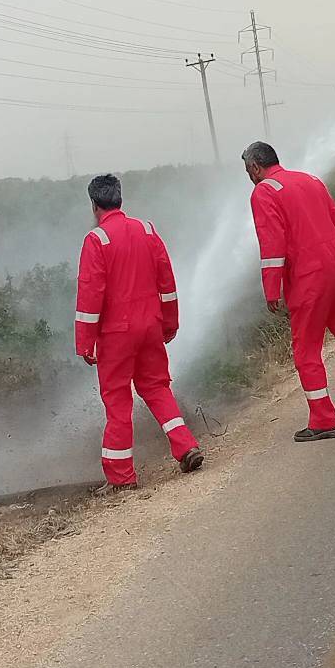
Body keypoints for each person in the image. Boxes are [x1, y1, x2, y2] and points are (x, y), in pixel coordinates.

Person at [243, 142, 335, 440]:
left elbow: (272, 243)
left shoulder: (264, 191)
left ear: (255, 167)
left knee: (306, 347)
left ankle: (324, 420)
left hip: (310, 273)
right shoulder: (309, 178)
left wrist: (272, 289)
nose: (249, 177)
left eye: (248, 171)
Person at [74, 174, 204, 491]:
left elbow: (90, 296)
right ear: (120, 199)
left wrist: (85, 343)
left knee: (118, 400)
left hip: (116, 334)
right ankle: (186, 446)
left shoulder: (96, 240)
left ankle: (121, 477)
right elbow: (167, 283)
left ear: (94, 205)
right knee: (157, 387)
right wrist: (169, 323)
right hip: (150, 327)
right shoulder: (146, 230)